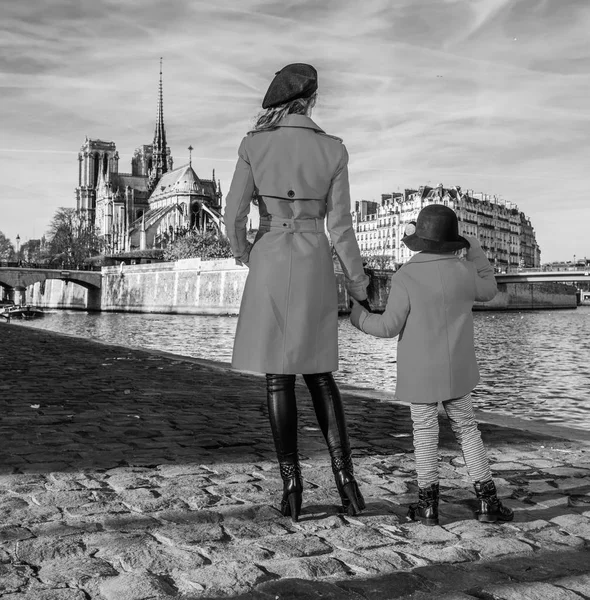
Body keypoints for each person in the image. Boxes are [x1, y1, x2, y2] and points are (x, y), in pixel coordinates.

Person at [224, 63, 370, 521]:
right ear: (312, 100)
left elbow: (233, 215)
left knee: (277, 378)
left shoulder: (254, 144)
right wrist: (359, 284)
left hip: (270, 254)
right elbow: (341, 229)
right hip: (313, 262)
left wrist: (246, 251)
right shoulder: (334, 150)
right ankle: (346, 481)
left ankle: (292, 488)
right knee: (321, 373)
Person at [350, 204, 514, 526]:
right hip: (457, 371)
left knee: (424, 432)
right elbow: (491, 287)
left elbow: (388, 328)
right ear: (452, 242)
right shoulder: (464, 272)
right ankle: (487, 502)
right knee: (468, 430)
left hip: (421, 373)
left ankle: (427, 506)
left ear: (419, 241)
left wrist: (357, 315)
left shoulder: (406, 276)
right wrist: (473, 245)